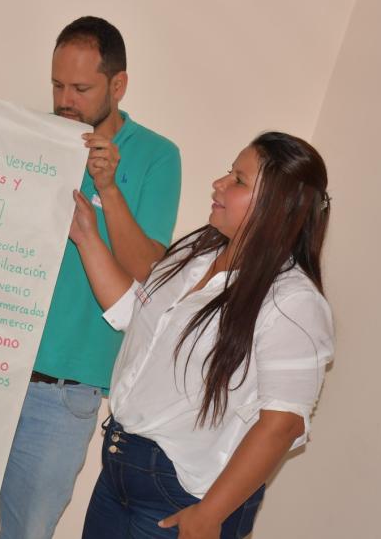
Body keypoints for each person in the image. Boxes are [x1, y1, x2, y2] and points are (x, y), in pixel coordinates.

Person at [0, 18, 181, 538]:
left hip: (64, 394)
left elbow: (149, 273)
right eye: (57, 85)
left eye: (81, 89)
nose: (65, 101)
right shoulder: (28, 135)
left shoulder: (158, 156)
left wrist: (109, 188)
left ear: (118, 85)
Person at [73, 132, 334, 538]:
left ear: (278, 205)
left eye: (239, 180)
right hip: (120, 474)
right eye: (230, 173)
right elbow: (137, 317)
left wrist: (210, 514)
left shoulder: (292, 300)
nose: (219, 183)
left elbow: (283, 423)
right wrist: (86, 236)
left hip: (185, 495)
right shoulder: (196, 250)